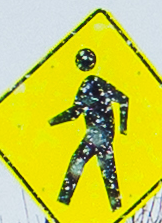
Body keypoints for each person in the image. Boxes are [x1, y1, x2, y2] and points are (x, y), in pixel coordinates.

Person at [51, 44, 129, 209]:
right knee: (108, 176)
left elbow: (74, 113)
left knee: (78, 165)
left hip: (97, 136)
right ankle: (116, 208)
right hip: (102, 136)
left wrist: (123, 127)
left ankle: (63, 203)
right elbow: (123, 99)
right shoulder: (95, 85)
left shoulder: (91, 84)